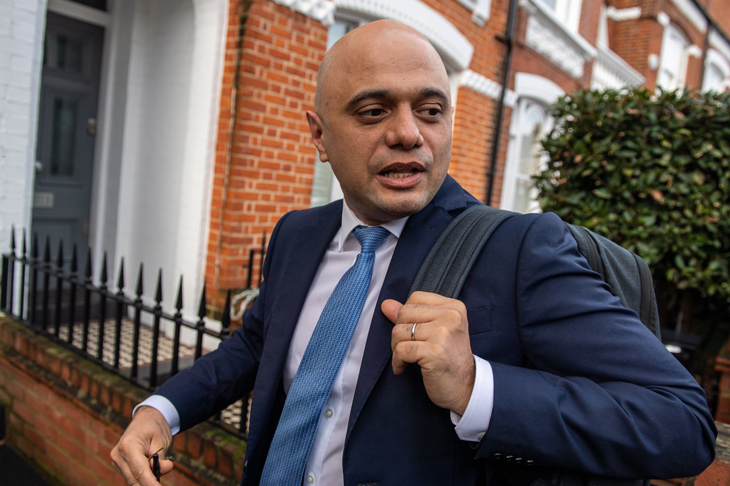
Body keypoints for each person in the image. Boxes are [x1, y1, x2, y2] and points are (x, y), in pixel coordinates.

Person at [111, 20, 716, 486]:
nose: (408, 133)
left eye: (430, 110)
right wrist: (162, 410)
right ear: (319, 134)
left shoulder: (520, 251)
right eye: (373, 111)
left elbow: (681, 422)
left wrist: (476, 386)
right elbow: (255, 345)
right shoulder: (297, 233)